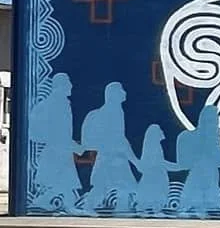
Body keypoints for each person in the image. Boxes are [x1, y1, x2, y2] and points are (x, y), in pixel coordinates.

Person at [77, 83, 140, 214]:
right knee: (122, 187)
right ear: (113, 95)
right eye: (121, 90)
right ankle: (89, 209)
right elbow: (120, 139)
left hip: (113, 158)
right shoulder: (112, 112)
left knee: (119, 188)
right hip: (112, 160)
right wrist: (135, 161)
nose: (125, 93)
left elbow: (121, 139)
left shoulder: (117, 111)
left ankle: (119, 212)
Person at [28, 73, 83, 211]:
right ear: (61, 86)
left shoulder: (61, 103)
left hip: (60, 151)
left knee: (62, 184)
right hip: (57, 153)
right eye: (68, 83)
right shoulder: (57, 104)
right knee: (59, 183)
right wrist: (76, 147)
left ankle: (67, 207)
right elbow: (59, 133)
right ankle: (48, 204)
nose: (71, 86)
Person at [175, 104, 220, 217]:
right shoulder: (188, 137)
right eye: (213, 120)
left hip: (211, 178)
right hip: (199, 178)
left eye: (216, 120)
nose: (216, 123)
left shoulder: (212, 137)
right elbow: (183, 163)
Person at [131, 125, 180, 215]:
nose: (162, 132)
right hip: (156, 180)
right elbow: (161, 163)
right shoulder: (153, 148)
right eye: (160, 130)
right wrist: (179, 166)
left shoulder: (155, 147)